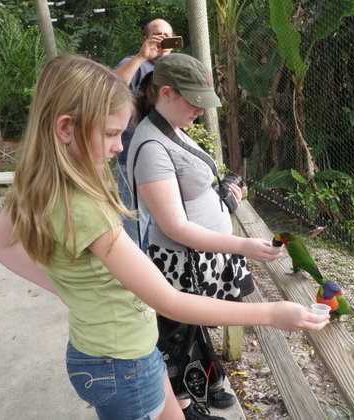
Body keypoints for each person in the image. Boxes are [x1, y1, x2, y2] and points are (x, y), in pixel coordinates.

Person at [0, 54, 330, 420]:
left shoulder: (35, 181)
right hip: (123, 366)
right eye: (111, 134)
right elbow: (169, 301)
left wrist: (70, 289)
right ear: (66, 128)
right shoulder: (85, 208)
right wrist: (272, 313)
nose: (119, 146)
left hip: (120, 351)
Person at [125, 53, 275, 420]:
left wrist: (225, 198)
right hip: (179, 262)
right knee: (175, 338)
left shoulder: (173, 126)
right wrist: (244, 246)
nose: (200, 109)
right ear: (166, 93)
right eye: (194, 100)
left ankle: (203, 388)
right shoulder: (151, 146)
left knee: (191, 331)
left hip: (199, 256)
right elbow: (175, 226)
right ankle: (183, 407)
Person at [114, 18, 175, 250]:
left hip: (163, 154)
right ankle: (133, 265)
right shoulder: (134, 63)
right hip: (131, 154)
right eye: (157, 35)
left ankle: (151, 264)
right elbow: (111, 88)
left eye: (167, 35)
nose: (163, 39)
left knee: (158, 219)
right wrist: (142, 56)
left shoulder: (173, 68)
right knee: (135, 220)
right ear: (145, 39)